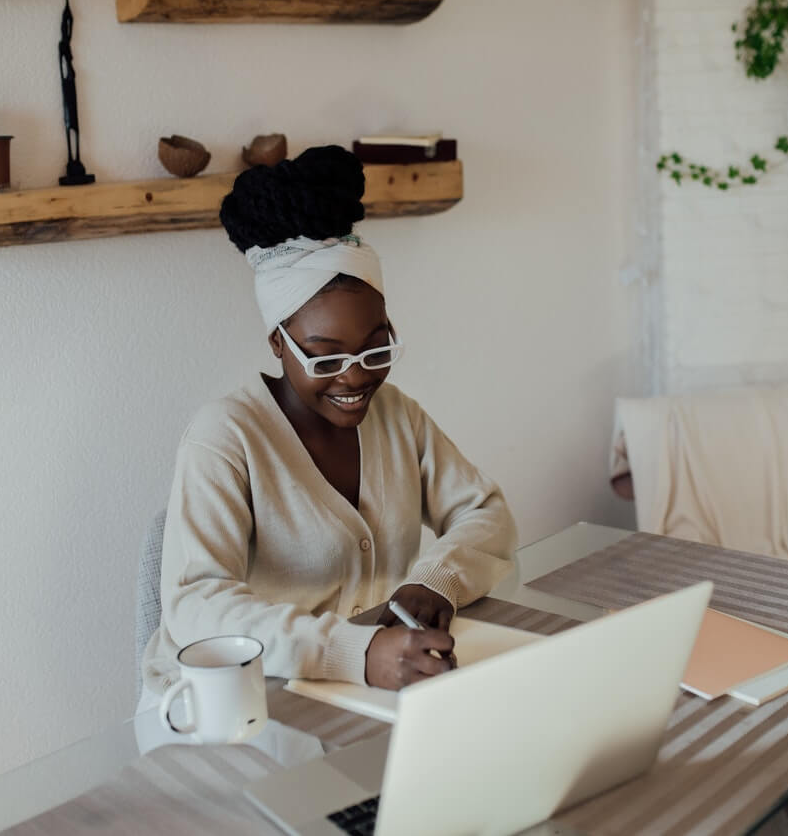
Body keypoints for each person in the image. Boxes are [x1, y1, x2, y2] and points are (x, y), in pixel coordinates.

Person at [138, 145, 517, 710]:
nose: (356, 376)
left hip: (361, 698)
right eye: (324, 356)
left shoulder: (397, 417)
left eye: (375, 348)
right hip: (233, 709)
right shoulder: (225, 437)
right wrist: (356, 653)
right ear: (278, 344)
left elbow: (485, 512)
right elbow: (197, 606)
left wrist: (436, 578)